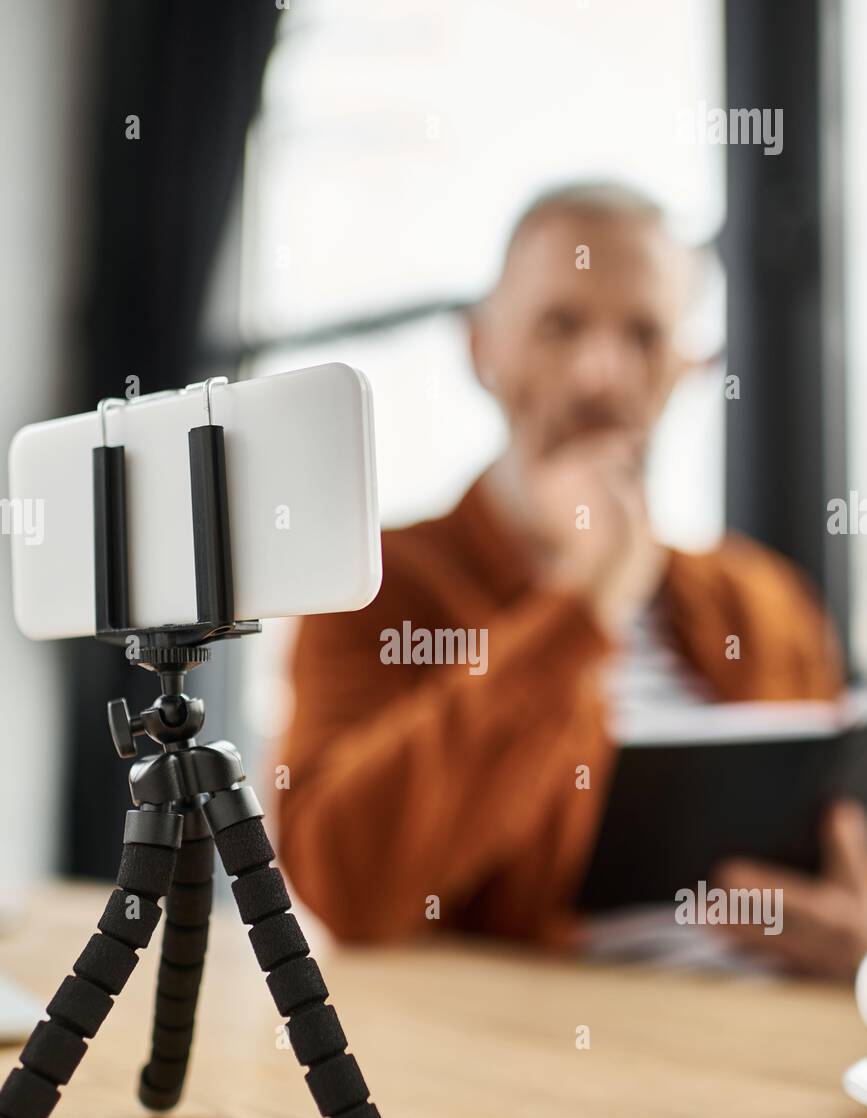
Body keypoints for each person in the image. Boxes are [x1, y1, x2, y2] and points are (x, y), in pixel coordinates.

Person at [275, 181, 867, 978]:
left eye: (644, 335)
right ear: (482, 348)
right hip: (534, 1048)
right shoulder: (375, 585)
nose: (600, 375)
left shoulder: (767, 600)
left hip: (766, 1033)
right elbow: (342, 883)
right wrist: (585, 603)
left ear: (685, 367)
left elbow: (837, 848)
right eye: (560, 326)